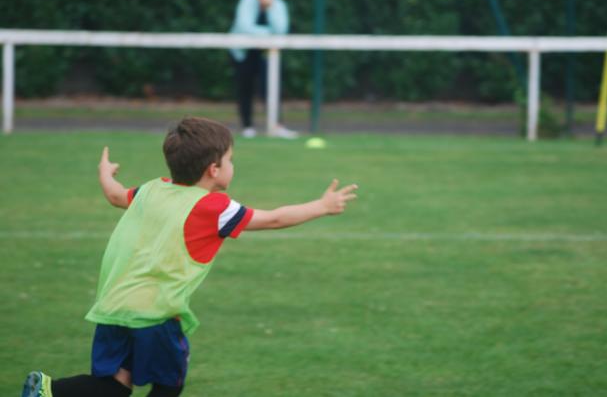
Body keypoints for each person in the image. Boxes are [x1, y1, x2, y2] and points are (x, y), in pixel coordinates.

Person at [22, 117, 357, 397]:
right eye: (230, 159)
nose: (232, 165)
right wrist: (322, 206)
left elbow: (114, 195)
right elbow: (274, 219)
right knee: (169, 384)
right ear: (213, 169)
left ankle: (47, 390)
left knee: (114, 385)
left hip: (113, 306)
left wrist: (105, 172)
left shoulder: (153, 188)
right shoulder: (214, 207)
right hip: (155, 314)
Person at [229, 0, 297, 139]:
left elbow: (281, 30)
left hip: (269, 53)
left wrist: (269, 7)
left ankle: (276, 125)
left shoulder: (278, 5)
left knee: (272, 87)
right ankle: (247, 126)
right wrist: (268, 34)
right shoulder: (246, 1)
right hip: (243, 51)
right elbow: (245, 27)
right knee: (245, 87)